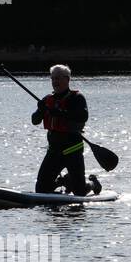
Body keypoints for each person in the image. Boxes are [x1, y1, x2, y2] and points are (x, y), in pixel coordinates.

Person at [30, 64, 101, 195]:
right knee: (40, 189)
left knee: (79, 192)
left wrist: (59, 113)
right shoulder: (47, 100)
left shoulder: (77, 98)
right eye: (53, 79)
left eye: (58, 78)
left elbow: (82, 117)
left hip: (72, 151)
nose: (55, 82)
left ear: (67, 80)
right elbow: (34, 121)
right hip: (54, 151)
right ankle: (63, 181)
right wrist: (40, 110)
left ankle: (92, 183)